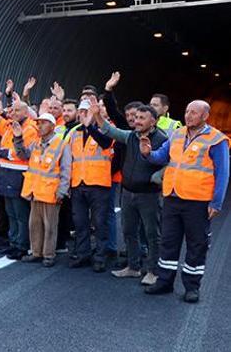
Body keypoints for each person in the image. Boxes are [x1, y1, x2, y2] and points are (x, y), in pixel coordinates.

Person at [141, 100, 229, 303]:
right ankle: (164, 281)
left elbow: (223, 173)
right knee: (168, 242)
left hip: (197, 201)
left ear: (205, 116)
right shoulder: (177, 134)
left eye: (194, 113)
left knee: (196, 244)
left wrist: (216, 203)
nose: (188, 116)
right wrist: (148, 154)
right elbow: (162, 156)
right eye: (187, 111)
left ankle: (192, 286)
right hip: (173, 197)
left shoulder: (216, 140)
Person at [96, 104, 167, 285]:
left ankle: (152, 271)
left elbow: (172, 162)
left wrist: (157, 177)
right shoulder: (131, 137)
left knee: (153, 234)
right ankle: (133, 267)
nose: (136, 121)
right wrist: (97, 115)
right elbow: (109, 130)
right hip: (128, 193)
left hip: (149, 195)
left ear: (154, 121)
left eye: (142, 118)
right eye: (136, 118)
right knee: (128, 231)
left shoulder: (162, 139)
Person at [0, 84, 38, 260]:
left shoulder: (30, 129)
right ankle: (13, 242)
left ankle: (22, 245)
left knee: (20, 213)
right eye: (11, 110)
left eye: (16, 110)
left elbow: (23, 154)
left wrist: (2, 153)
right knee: (10, 212)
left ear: (25, 112)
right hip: (6, 173)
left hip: (19, 175)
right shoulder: (8, 125)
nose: (12, 113)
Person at [13, 113, 71, 267]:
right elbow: (22, 155)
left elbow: (66, 171)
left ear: (52, 126)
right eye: (38, 123)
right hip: (35, 191)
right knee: (35, 225)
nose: (40, 126)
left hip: (51, 193)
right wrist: (18, 138)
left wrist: (62, 191)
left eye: (44, 123)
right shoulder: (36, 143)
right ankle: (36, 252)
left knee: (50, 226)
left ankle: (49, 255)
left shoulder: (62, 145)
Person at [67, 98, 115, 272]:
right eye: (80, 112)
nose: (82, 115)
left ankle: (100, 257)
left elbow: (106, 143)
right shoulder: (74, 133)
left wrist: (91, 127)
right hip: (78, 184)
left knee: (100, 223)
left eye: (86, 112)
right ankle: (83, 254)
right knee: (80, 222)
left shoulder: (105, 131)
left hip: (98, 184)